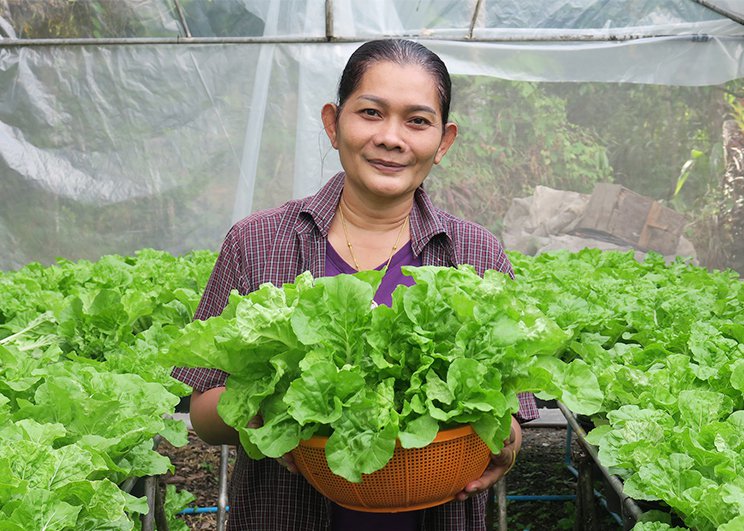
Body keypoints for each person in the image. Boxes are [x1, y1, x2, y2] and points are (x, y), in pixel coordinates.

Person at [172, 38, 538, 531]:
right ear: (333, 123)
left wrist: (505, 442)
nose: (392, 137)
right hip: (287, 514)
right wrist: (274, 410)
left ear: (444, 141)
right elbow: (203, 415)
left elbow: (508, 413)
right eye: (371, 112)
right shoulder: (257, 242)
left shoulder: (476, 253)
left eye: (417, 121)